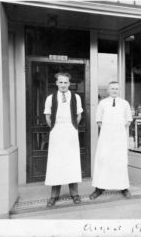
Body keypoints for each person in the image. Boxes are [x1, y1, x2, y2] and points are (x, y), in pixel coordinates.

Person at [44, 72, 83, 207]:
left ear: (69, 83)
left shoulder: (76, 97)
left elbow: (79, 115)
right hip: (57, 131)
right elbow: (47, 116)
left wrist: (73, 127)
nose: (63, 85)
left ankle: (75, 194)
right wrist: (54, 127)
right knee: (56, 163)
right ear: (57, 83)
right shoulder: (50, 98)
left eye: (65, 82)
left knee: (71, 161)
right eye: (60, 82)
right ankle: (54, 196)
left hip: (71, 131)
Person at [89, 81, 133, 200]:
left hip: (119, 138)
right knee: (103, 160)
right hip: (106, 138)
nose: (114, 90)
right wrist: (107, 132)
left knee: (120, 162)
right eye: (112, 88)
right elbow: (98, 120)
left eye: (116, 89)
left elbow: (129, 120)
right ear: (108, 90)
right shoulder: (102, 103)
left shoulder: (125, 103)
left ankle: (123, 188)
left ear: (119, 90)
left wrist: (118, 131)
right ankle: (99, 188)